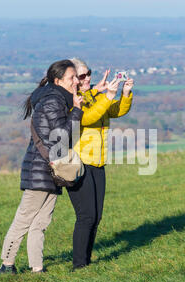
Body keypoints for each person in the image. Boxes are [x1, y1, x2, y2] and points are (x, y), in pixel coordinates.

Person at [0, 60, 83, 274]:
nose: (76, 81)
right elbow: (62, 137)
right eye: (72, 77)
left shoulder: (58, 99)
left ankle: (37, 268)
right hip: (42, 169)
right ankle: (7, 265)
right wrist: (77, 111)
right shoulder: (53, 101)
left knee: (41, 221)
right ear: (58, 80)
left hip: (49, 169)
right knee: (25, 219)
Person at [68, 58, 134, 270]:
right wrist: (107, 96)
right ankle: (79, 264)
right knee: (86, 216)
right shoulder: (72, 98)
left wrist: (124, 94)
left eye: (89, 73)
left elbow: (114, 111)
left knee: (96, 216)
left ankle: (86, 261)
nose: (87, 78)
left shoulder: (93, 95)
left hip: (98, 162)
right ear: (72, 79)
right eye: (82, 76)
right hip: (80, 163)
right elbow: (87, 117)